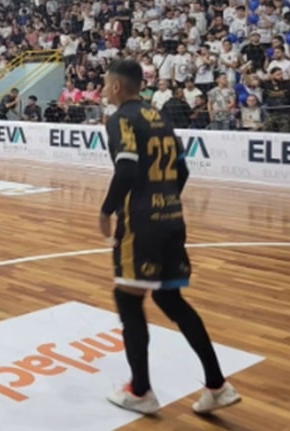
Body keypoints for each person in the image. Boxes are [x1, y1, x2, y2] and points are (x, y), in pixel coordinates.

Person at [99, 58, 241, 415]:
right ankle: (217, 385)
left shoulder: (121, 119)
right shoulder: (158, 115)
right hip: (172, 219)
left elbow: (127, 166)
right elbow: (182, 168)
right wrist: (166, 201)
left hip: (142, 224)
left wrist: (108, 209)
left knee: (129, 298)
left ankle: (140, 390)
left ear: (116, 86)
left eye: (105, 83)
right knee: (169, 299)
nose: (102, 88)